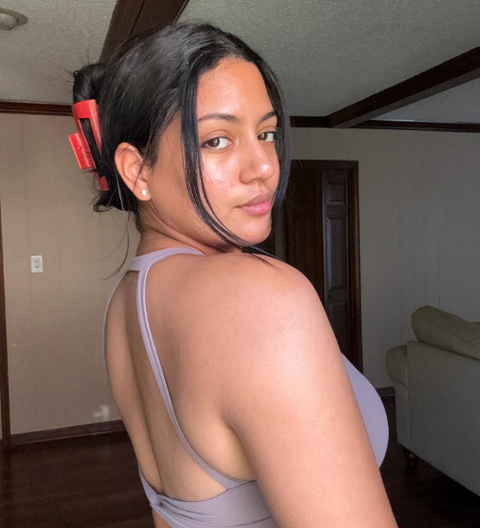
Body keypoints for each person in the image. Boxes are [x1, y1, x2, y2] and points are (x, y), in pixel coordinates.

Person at [70, 23, 398, 528]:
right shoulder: (261, 298)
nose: (264, 166)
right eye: (217, 140)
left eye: (266, 134)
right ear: (137, 171)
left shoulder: (128, 302)